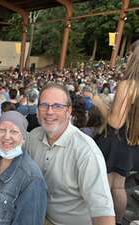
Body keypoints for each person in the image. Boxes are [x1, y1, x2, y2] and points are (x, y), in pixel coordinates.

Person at [25, 83, 115, 225]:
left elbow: (103, 213)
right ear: (37, 111)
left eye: (57, 106)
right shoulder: (33, 137)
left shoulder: (86, 152)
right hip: (36, 215)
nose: (49, 111)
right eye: (44, 105)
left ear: (69, 111)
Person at [91, 40, 139, 225]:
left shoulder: (128, 85)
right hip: (132, 141)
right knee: (118, 186)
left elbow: (115, 122)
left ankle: (109, 221)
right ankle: (117, 221)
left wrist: (99, 102)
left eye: (128, 55)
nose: (125, 59)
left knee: (111, 187)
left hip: (117, 141)